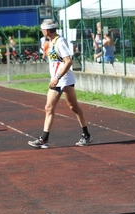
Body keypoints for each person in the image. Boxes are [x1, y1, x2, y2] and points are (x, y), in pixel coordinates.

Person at [28, 19, 92, 148]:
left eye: (42, 30)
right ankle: (44, 139)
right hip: (56, 80)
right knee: (48, 107)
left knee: (73, 107)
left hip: (65, 79)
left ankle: (86, 135)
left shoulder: (60, 41)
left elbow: (68, 61)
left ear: (46, 30)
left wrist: (57, 77)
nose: (42, 32)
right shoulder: (51, 42)